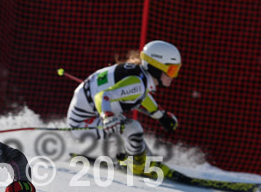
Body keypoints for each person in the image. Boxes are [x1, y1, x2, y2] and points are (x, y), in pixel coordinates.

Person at [67, 40, 181, 174]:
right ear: (156, 66)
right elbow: (102, 96)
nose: (173, 77)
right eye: (171, 70)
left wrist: (160, 115)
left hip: (93, 113)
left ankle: (137, 158)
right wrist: (107, 117)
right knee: (133, 128)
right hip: (83, 123)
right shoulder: (138, 83)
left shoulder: (139, 76)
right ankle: (138, 166)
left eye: (176, 70)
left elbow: (141, 96)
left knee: (127, 128)